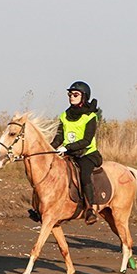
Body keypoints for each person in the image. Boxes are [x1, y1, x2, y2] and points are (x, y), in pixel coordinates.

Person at [51, 80, 103, 225]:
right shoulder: (64, 115)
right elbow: (59, 137)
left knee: (84, 175)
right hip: (70, 153)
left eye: (75, 94)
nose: (71, 97)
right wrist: (50, 148)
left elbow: (87, 140)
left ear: (83, 97)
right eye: (70, 94)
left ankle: (90, 209)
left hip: (87, 154)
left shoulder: (90, 116)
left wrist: (66, 147)